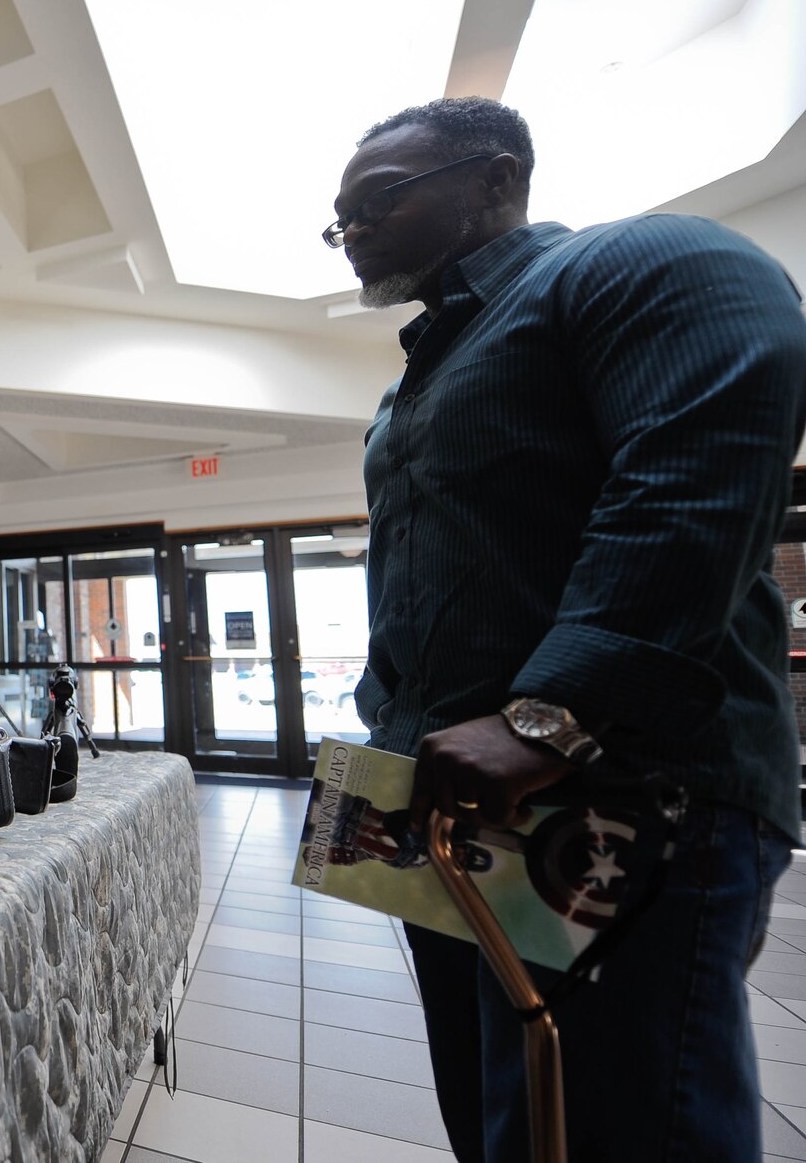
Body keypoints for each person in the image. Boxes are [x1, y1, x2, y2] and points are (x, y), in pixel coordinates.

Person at [332, 95, 806, 1162]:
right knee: (503, 1124)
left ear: (495, 179)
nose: (352, 228)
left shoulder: (643, 261)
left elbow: (687, 486)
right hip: (439, 797)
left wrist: (553, 713)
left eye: (377, 200)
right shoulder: (412, 383)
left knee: (614, 1124)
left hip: (611, 779)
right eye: (338, 219)